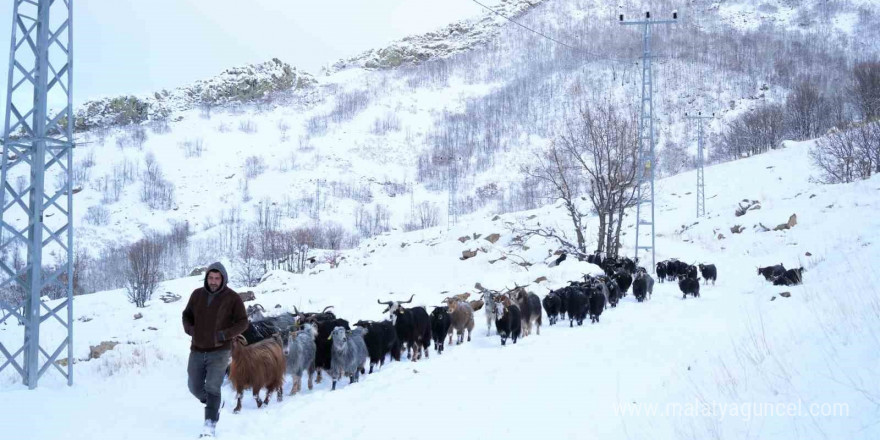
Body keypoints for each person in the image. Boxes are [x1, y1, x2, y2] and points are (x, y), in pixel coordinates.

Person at [182, 262, 248, 438]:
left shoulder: (232, 298)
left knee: (212, 386)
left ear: (223, 279)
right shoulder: (197, 295)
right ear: (206, 278)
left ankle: (209, 425)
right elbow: (186, 315)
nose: (213, 281)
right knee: (194, 386)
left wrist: (224, 335)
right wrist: (190, 330)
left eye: (217, 278)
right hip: (197, 349)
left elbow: (243, 322)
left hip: (220, 351)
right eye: (210, 278)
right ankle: (213, 403)